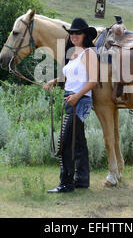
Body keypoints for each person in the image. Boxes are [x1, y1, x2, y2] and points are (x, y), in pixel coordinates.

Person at [43, 17, 99, 193]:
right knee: (79, 141)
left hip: (80, 100)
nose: (74, 36)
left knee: (66, 142)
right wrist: (55, 80)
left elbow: (93, 81)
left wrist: (77, 96)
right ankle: (82, 180)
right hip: (71, 98)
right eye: (72, 33)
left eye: (78, 33)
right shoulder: (73, 54)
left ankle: (66, 183)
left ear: (85, 35)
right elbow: (70, 76)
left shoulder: (88, 53)